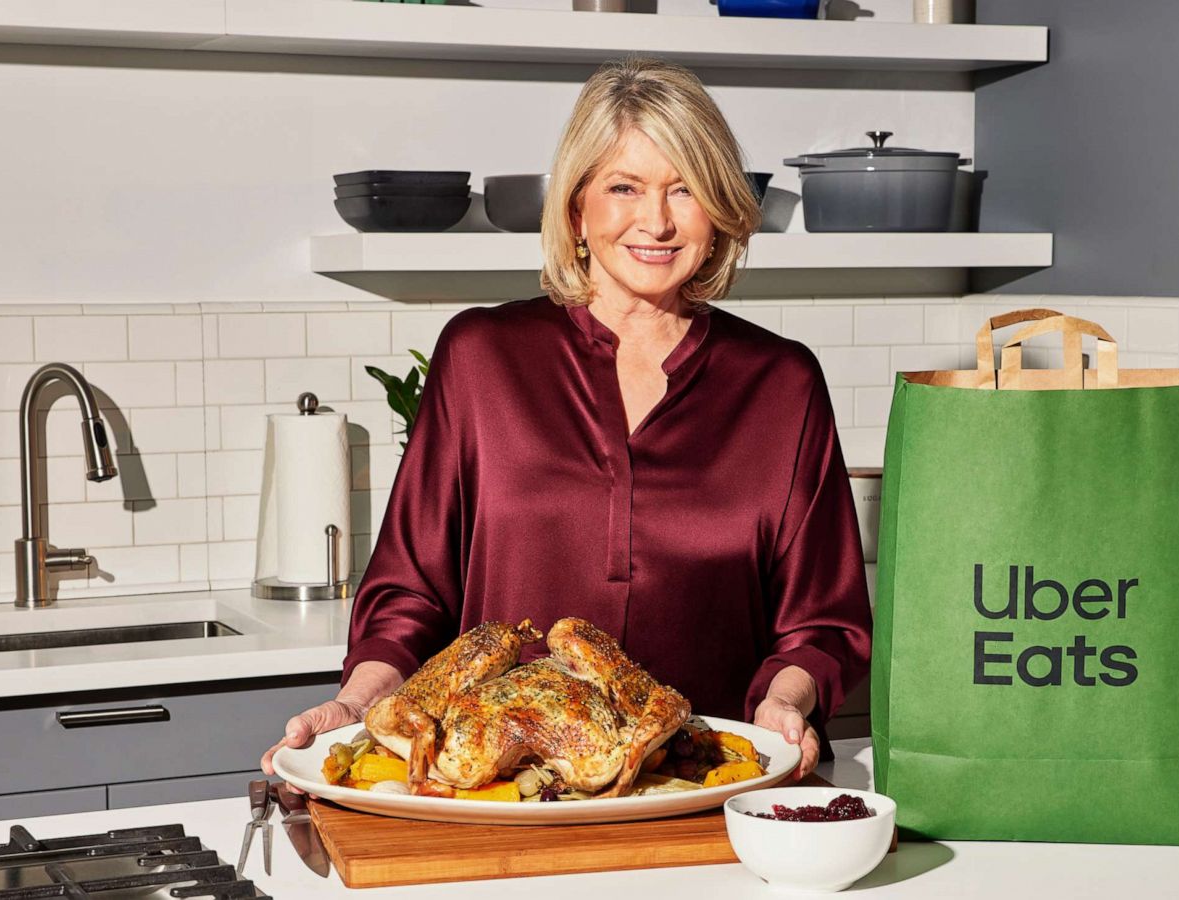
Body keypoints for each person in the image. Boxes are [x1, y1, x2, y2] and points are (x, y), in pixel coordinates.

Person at [262, 57, 870, 783]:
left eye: (686, 190)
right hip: (502, 800)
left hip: (710, 791)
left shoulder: (782, 382)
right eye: (625, 187)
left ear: (721, 210)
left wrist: (784, 706)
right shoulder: (483, 359)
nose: (658, 220)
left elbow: (823, 624)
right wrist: (357, 704)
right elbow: (409, 593)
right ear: (578, 209)